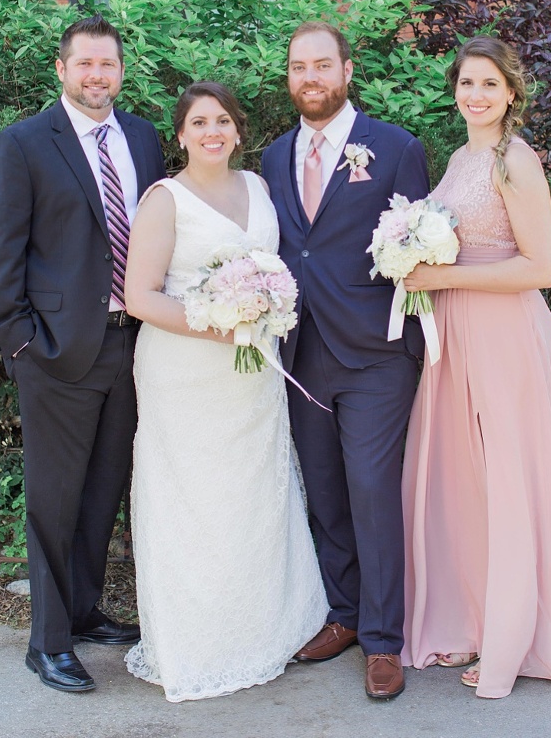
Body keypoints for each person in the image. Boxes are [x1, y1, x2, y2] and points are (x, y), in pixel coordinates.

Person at [400, 35, 551, 698]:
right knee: (466, 481)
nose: (476, 94)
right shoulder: (461, 156)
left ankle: (517, 637)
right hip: (456, 331)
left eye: (489, 83)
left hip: (503, 333)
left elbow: (541, 268)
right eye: (467, 82)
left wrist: (443, 274)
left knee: (508, 483)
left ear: (512, 92)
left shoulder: (515, 159)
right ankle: (476, 617)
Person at [122, 80, 328, 702]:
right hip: (185, 373)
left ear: (238, 131)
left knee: (251, 497)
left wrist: (260, 315)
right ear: (181, 135)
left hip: (253, 374)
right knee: (194, 503)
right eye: (199, 123)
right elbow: (140, 297)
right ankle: (198, 645)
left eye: (222, 121)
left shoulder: (259, 188)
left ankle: (262, 631)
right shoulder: (165, 201)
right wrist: (220, 325)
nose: (212, 132)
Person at [0, 14, 166, 693]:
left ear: (121, 70)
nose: (96, 75)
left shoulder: (142, 137)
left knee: (102, 492)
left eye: (106, 63)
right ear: (61, 69)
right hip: (56, 352)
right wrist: (22, 343)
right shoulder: (24, 144)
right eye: (84, 63)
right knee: (54, 501)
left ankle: (83, 611)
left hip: (131, 345)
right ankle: (49, 641)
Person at [261, 22, 430, 701]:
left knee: (370, 490)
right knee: (326, 491)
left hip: (375, 354)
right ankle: (346, 613)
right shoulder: (274, 156)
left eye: (322, 65)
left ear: (347, 70)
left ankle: (384, 641)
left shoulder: (395, 148)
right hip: (301, 349)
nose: (310, 77)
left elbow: (417, 245)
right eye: (299, 66)